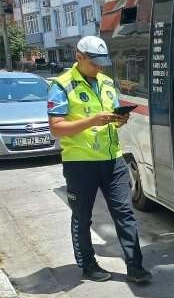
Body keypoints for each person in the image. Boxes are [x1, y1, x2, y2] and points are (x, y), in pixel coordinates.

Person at [47, 36, 151, 283]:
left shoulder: (106, 82)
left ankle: (135, 267)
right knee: (82, 216)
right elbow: (56, 128)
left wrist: (119, 120)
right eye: (94, 63)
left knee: (125, 214)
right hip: (80, 163)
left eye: (102, 63)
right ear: (79, 57)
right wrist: (92, 121)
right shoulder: (61, 85)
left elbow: (112, 119)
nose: (99, 68)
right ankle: (88, 265)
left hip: (112, 159)